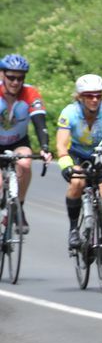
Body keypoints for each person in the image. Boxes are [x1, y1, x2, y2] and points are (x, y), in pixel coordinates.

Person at [56, 74, 102, 250]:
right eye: (90, 96)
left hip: (100, 155)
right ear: (80, 97)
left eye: (98, 95)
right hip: (78, 156)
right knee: (77, 182)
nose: (95, 99)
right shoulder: (70, 112)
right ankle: (74, 230)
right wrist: (66, 165)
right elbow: (61, 144)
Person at [0, 53, 52, 233]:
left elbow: (40, 122)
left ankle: (18, 206)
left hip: (18, 141)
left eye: (20, 78)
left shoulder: (30, 93)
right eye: (11, 77)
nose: (15, 82)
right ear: (2, 75)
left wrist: (45, 147)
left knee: (25, 162)